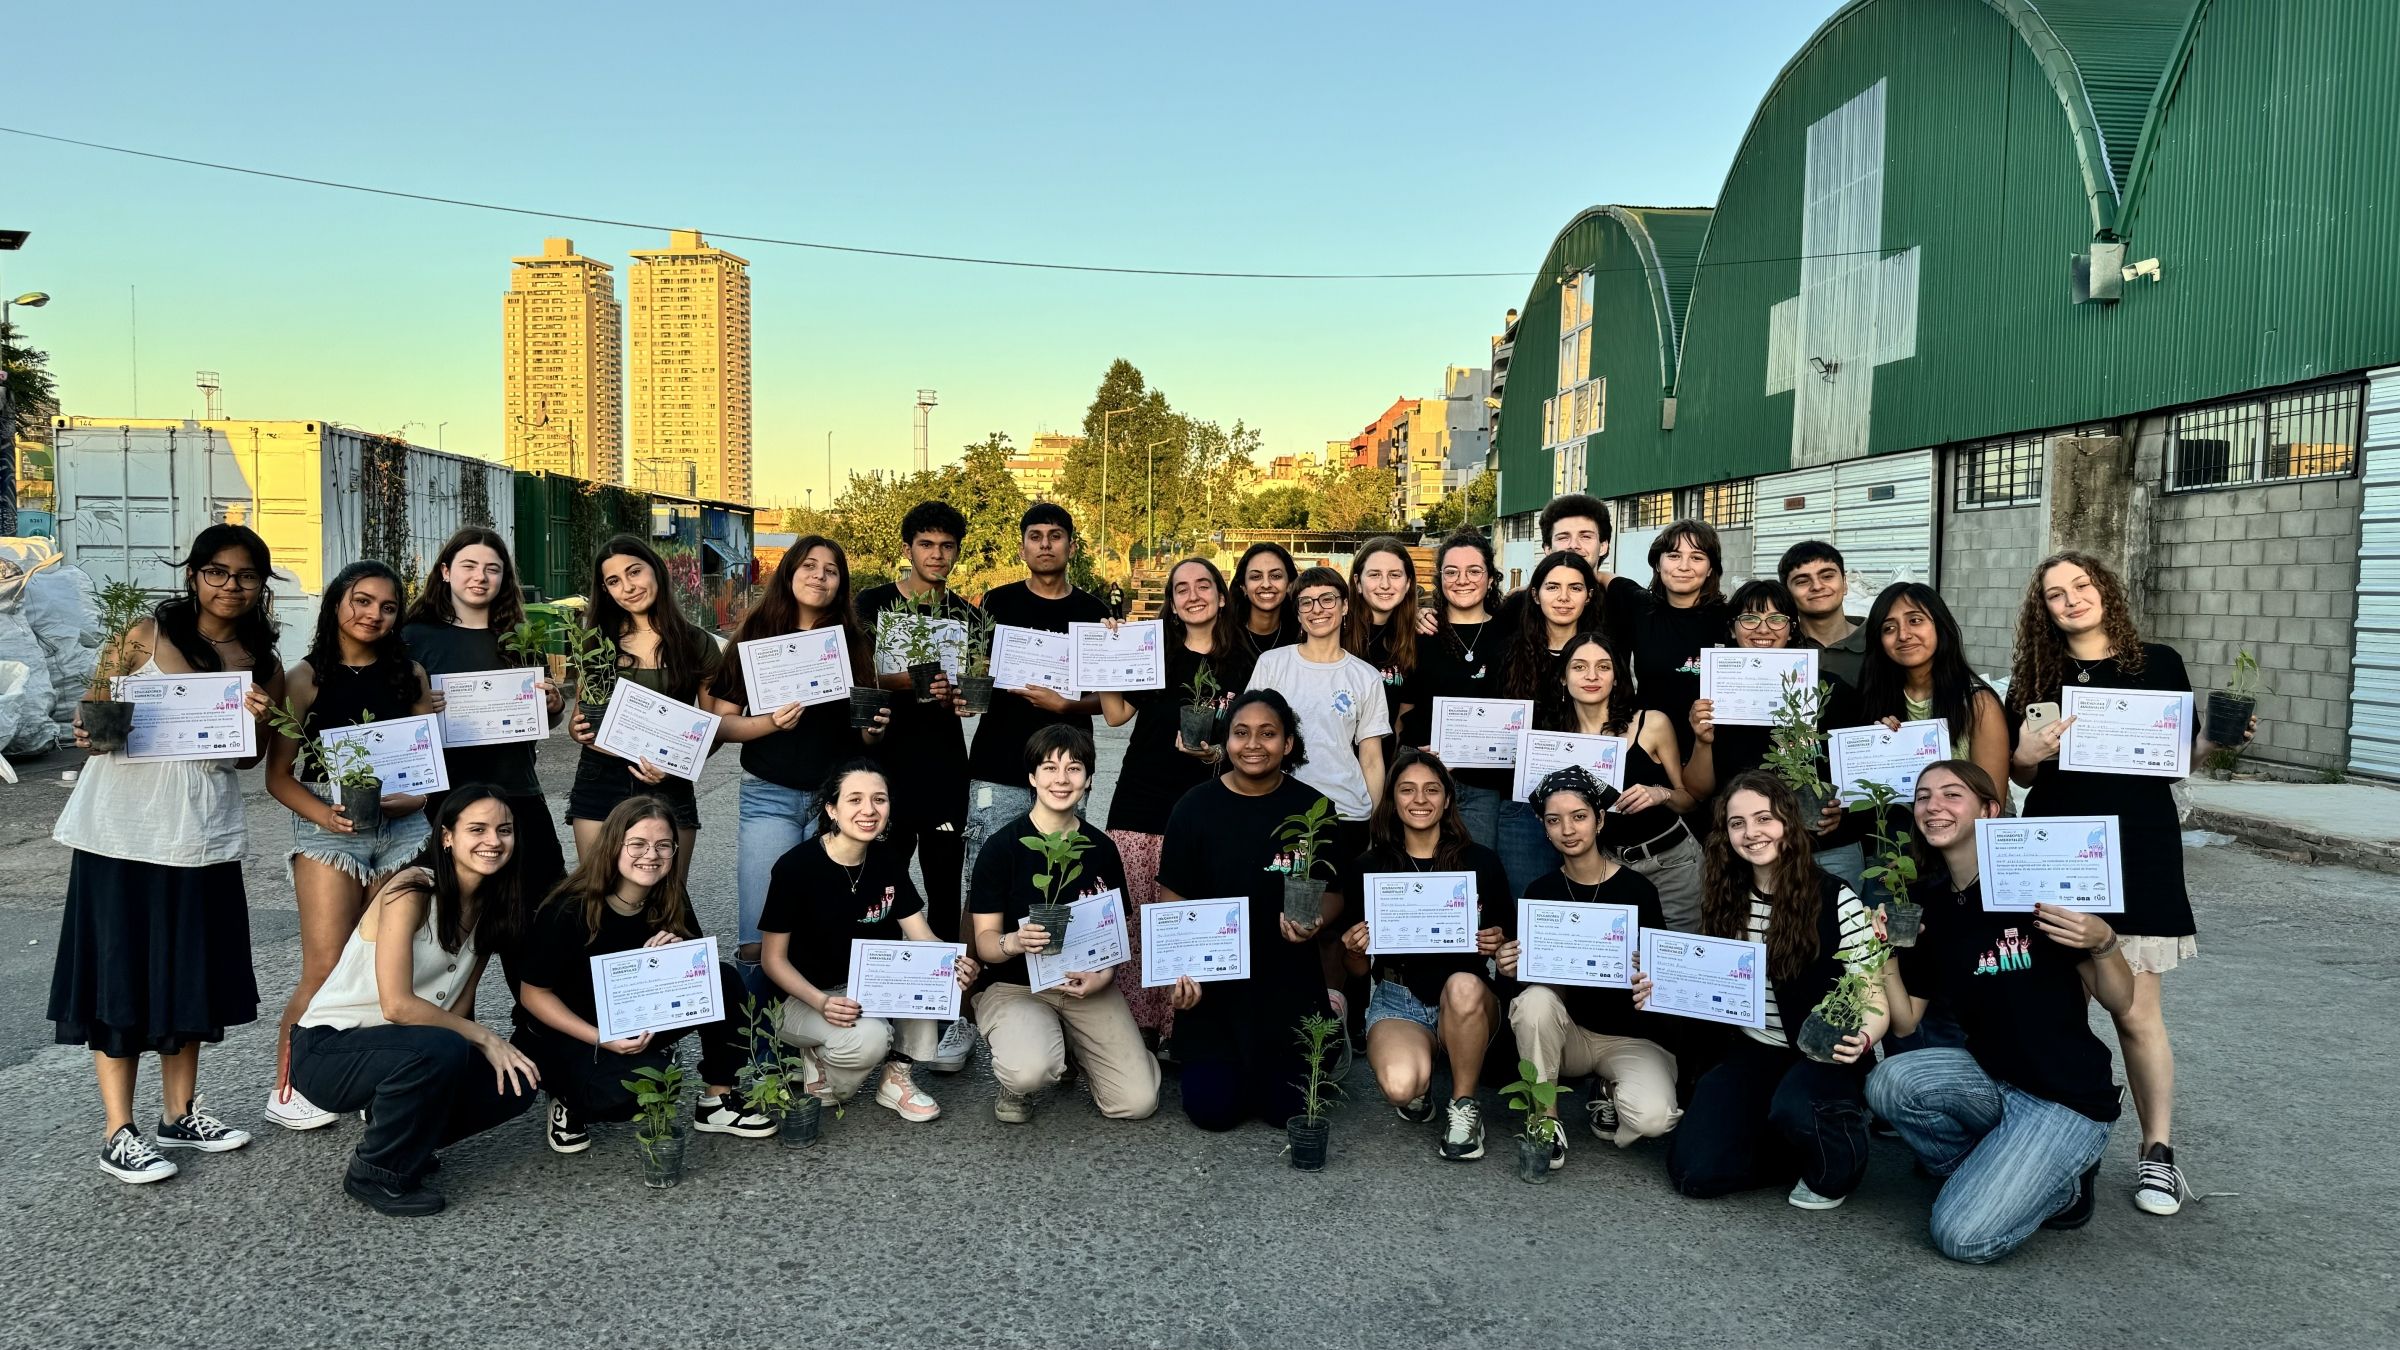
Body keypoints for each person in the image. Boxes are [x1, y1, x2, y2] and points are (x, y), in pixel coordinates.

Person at [2005, 550, 2247, 1217]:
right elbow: (2019, 774)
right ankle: (2066, 1142)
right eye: (2056, 594)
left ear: (2104, 591)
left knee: (2136, 1015)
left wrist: (2221, 739)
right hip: (2057, 853)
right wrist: (2027, 753)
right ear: (2044, 610)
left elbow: (2179, 757)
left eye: (2081, 585)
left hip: (2138, 849)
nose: (2071, 599)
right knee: (2061, 1011)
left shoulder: (2158, 663)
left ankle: (2158, 1153)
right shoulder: (2033, 674)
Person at [48, 524, 282, 1183]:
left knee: (189, 973)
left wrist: (259, 718)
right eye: (216, 571)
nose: (230, 586)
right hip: (121, 829)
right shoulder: (144, 635)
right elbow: (94, 711)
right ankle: (117, 1129)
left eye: (244, 575)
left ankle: (178, 1114)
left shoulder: (259, 661)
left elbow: (245, 759)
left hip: (200, 833)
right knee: (119, 972)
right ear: (193, 575)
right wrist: (88, 722)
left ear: (262, 585)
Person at [1864, 760, 2134, 1261]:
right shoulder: (1926, 902)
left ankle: (2064, 1184)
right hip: (1990, 1080)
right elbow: (1905, 1023)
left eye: (1951, 795)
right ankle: (1995, 1171)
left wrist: (2104, 942)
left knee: (1962, 1237)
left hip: (2065, 1097)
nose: (1933, 806)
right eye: (1923, 796)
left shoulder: (2036, 886)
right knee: (1890, 1082)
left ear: (1990, 809)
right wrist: (1884, 954)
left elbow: (2121, 1001)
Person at [287, 788, 542, 1216]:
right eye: (476, 830)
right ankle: (374, 1172)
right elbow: (397, 1006)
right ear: (447, 838)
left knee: (517, 1082)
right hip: (328, 1050)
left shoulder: (492, 906)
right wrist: (484, 1039)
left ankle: (406, 1141)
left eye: (504, 831)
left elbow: (459, 1005)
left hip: (399, 1051)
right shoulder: (412, 887)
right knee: (446, 1046)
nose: (493, 841)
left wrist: (480, 1054)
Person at [263, 560, 438, 1131]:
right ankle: (287, 1087)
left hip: (403, 832)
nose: (374, 615)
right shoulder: (305, 678)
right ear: (337, 602)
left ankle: (374, 1083)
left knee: (386, 968)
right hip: (327, 829)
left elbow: (425, 762)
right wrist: (327, 817)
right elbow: (279, 776)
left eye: (388, 607)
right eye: (362, 601)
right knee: (325, 965)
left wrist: (415, 800)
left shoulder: (408, 673)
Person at [1656, 771, 1881, 1211]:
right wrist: (1662, 985)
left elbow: (1872, 994)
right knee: (1693, 1174)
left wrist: (1864, 1038)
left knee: (1796, 1107)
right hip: (1755, 1048)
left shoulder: (1836, 897)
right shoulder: (1726, 894)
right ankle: (1790, 1147)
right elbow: (1707, 977)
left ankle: (1842, 1160)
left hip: (1820, 1051)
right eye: (1737, 823)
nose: (1751, 833)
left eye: (1764, 819)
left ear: (1788, 824)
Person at [513, 796, 775, 1154]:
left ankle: (718, 1098)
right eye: (637, 843)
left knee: (722, 979)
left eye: (662, 845)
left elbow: (696, 975)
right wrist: (601, 1037)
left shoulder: (669, 895)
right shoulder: (567, 909)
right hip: (569, 1029)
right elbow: (533, 995)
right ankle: (566, 1095)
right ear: (612, 846)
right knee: (631, 1095)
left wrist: (670, 961)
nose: (650, 855)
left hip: (633, 1015)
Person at [1155, 690, 1341, 1130]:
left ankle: (1330, 1022)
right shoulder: (1194, 808)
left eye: (1268, 734)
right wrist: (1181, 970)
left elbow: (1336, 892)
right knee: (1212, 1111)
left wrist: (1317, 920)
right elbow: (1172, 895)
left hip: (1288, 985)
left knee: (1289, 1113)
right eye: (1241, 733)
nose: (1253, 744)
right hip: (1216, 991)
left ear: (1288, 744)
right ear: (1226, 740)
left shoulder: (1314, 810)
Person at [701, 534, 888, 967]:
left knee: (822, 927)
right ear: (788, 573)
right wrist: (770, 722)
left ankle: (816, 1026)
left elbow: (865, 733)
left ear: (841, 584)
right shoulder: (755, 634)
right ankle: (760, 1034)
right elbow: (723, 723)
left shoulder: (853, 641)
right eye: (809, 566)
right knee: (757, 935)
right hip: (771, 794)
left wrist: (875, 731)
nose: (819, 576)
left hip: (836, 802)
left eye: (831, 570)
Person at [757, 760, 978, 1121]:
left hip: (868, 988)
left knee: (927, 969)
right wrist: (821, 1002)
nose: (869, 810)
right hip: (803, 998)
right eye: (855, 799)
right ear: (832, 809)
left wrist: (956, 963)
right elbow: (772, 960)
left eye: (879, 799)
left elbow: (921, 936)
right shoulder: (795, 867)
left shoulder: (886, 859)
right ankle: (815, 1053)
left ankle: (897, 1077)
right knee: (868, 1043)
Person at [967, 726, 1159, 1123]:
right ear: (1032, 777)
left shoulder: (1101, 848)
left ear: (1088, 780)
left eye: (1074, 769)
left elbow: (1114, 927)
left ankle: (1082, 1048)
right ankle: (1019, 1076)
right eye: (1049, 767)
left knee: (1136, 1102)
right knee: (1030, 1068)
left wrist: (1104, 977)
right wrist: (1016, 941)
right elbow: (985, 943)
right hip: (1016, 986)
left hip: (1083, 983)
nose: (1061, 779)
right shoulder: (1002, 848)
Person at [1497, 766, 1681, 1171]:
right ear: (1544, 829)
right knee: (1534, 1002)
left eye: (1579, 816)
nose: (1568, 829)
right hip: (1571, 1036)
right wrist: (1508, 967)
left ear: (1599, 820)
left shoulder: (1638, 890)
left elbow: (1665, 980)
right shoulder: (1539, 893)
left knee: (1654, 1119)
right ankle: (1545, 1118)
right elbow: (1526, 988)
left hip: (1632, 1037)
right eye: (1554, 820)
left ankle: (1609, 1089)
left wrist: (1651, 973)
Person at [1095, 556, 1246, 1041]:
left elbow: (1257, 734)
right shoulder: (1154, 650)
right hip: (1141, 802)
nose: (1194, 595)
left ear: (1223, 596)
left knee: (1191, 921)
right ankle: (1135, 1026)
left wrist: (1219, 750)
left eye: (1205, 585)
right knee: (1136, 919)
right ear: (1173, 603)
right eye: (1182, 589)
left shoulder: (1244, 659)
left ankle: (1181, 1027)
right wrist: (1108, 656)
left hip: (1209, 806)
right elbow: (1116, 715)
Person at [1336, 748, 1509, 1161]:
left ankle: (1464, 1105)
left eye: (1432, 790)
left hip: (1464, 998)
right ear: (1393, 800)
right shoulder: (1368, 866)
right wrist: (1354, 949)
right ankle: (1422, 1082)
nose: (1420, 800)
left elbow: (1507, 943)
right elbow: (1356, 971)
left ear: (1448, 799)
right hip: (1399, 999)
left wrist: (1497, 942)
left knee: (1464, 986)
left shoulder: (1479, 862)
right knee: (1400, 1087)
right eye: (1407, 790)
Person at [401, 527, 568, 947]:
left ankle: (534, 1010)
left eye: (492, 569)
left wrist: (552, 706)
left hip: (517, 793)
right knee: (443, 930)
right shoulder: (413, 637)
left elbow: (540, 723)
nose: (480, 577)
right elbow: (394, 719)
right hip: (444, 799)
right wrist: (418, 710)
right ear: (445, 572)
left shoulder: (519, 637)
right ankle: (448, 1014)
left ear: (503, 579)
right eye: (469, 566)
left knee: (539, 915)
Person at [854, 503, 978, 999]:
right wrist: (904, 681)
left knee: (945, 884)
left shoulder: (968, 615)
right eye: (926, 544)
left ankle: (945, 996)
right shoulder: (873, 604)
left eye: (947, 546)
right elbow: (856, 678)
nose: (937, 555)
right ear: (907, 549)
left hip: (946, 767)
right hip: (884, 765)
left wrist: (967, 697)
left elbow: (976, 683)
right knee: (882, 881)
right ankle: (881, 986)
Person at [1684, 578, 1869, 893]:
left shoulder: (1830, 689)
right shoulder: (1713, 694)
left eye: (1776, 619)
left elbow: (1859, 768)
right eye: (1750, 618)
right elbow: (1698, 790)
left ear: (1791, 627)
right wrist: (1702, 740)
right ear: (1732, 628)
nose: (1763, 628)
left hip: (1823, 850)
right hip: (1744, 851)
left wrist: (1843, 811)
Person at [565, 535, 719, 860]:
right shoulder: (597, 642)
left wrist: (676, 767)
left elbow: (713, 726)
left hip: (668, 782)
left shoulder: (696, 643)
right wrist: (576, 729)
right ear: (605, 590)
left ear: (655, 570)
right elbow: (582, 714)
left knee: (667, 899)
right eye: (614, 581)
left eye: (634, 572)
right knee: (596, 897)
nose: (628, 586)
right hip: (600, 777)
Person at [1534, 632, 1701, 928]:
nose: (1592, 676)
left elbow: (1688, 801)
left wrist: (1660, 794)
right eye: (1579, 667)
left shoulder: (1651, 724)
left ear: (1616, 676)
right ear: (1562, 677)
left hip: (1671, 861)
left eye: (1603, 666)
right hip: (1609, 867)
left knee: (1672, 961)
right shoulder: (1552, 741)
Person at [1249, 567, 1391, 864]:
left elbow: (1371, 757)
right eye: (1306, 602)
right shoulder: (1272, 664)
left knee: (1339, 906)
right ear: (1298, 613)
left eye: (1327, 599)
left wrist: (1377, 824)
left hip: (1346, 812)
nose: (1317, 610)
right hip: (1281, 810)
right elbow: (1250, 735)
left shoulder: (1365, 677)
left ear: (1345, 606)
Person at [1491, 550, 1609, 891]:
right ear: (1535, 593)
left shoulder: (1602, 653)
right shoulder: (1508, 653)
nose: (1563, 597)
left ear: (1589, 595)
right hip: (1524, 807)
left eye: (1575, 588)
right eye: (1552, 587)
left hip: (1592, 803)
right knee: (1529, 909)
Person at [1397, 529, 1508, 852]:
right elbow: (1403, 713)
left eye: (1474, 571)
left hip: (1483, 785)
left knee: (1475, 873)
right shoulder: (1420, 633)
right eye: (1451, 572)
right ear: (1439, 579)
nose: (1463, 580)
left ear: (1490, 579)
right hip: (1421, 775)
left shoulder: (1511, 633)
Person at [1857, 581, 2012, 793]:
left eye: (1915, 620)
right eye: (1889, 628)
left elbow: (1992, 806)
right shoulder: (1874, 698)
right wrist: (1879, 750)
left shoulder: (1978, 702)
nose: (1903, 635)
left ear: (1939, 625)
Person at [1616, 520, 1732, 762]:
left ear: (1711, 568)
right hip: (1649, 749)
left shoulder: (1729, 620)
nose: (1684, 566)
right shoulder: (1640, 607)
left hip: (1710, 751)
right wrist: (1527, 589)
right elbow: (1597, 576)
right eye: (1674, 555)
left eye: (1697, 557)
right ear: (1658, 563)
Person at [1345, 536, 1421, 748]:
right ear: (1357, 583)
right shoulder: (1336, 631)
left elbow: (1401, 720)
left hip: (1383, 764)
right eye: (1375, 575)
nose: (1385, 585)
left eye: (1394, 575)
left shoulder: (1414, 639)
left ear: (1408, 583)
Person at [1778, 540, 1867, 686]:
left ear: (1844, 583)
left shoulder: (1881, 641)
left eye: (1827, 576)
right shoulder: (1777, 645)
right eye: (1802, 581)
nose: (1817, 586)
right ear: (1787, 593)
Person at [1228, 541, 1299, 663]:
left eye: (1276, 576)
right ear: (1243, 587)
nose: (1266, 584)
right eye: (1256, 577)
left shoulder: (1301, 636)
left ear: (1289, 585)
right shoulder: (1224, 638)